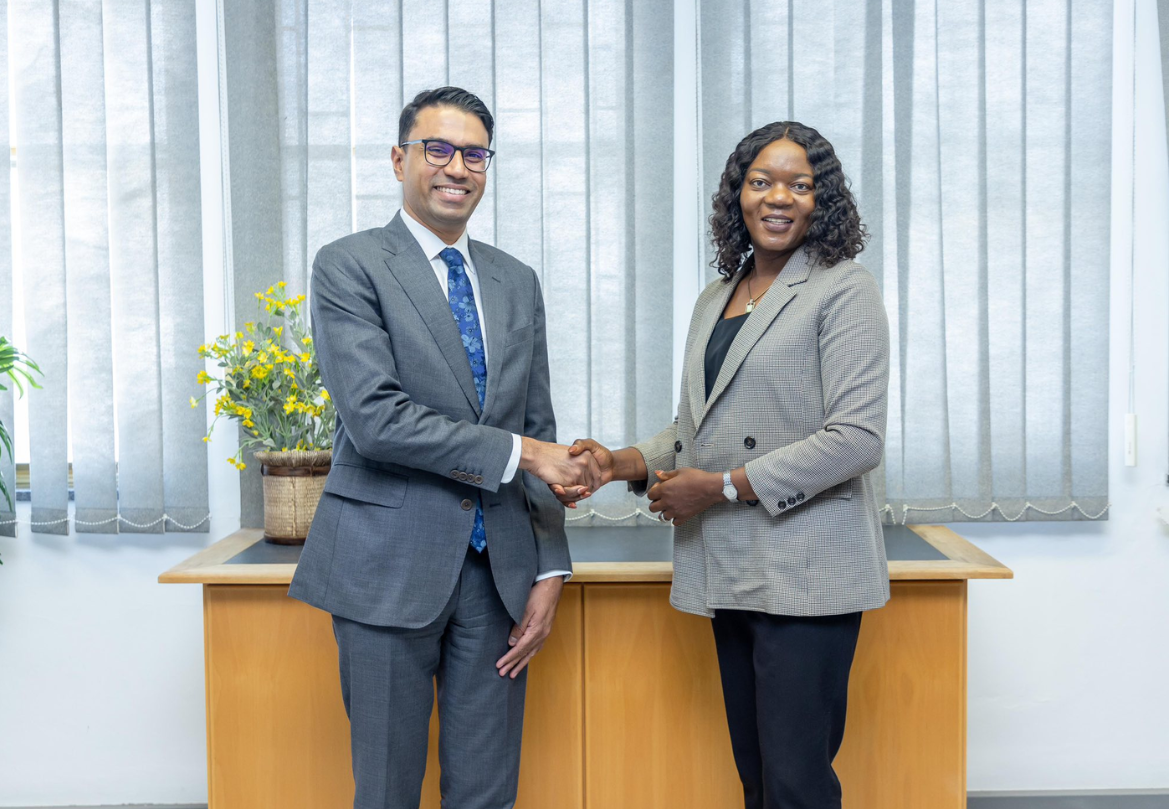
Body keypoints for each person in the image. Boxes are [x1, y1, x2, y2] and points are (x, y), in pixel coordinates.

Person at [558, 121, 890, 809]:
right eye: (762, 181)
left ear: (822, 200)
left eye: (800, 185)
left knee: (796, 783)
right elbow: (699, 428)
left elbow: (856, 438)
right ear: (738, 193)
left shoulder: (844, 289)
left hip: (807, 573)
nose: (779, 197)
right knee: (757, 775)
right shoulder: (719, 296)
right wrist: (617, 462)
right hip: (732, 567)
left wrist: (721, 487)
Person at [289, 86, 601, 809]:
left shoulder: (516, 281)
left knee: (487, 795)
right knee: (387, 791)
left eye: (475, 154)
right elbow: (377, 420)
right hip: (385, 568)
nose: (457, 167)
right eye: (438, 149)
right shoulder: (349, 266)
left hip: (499, 579)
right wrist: (526, 453)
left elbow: (538, 423)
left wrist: (550, 567)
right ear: (399, 159)